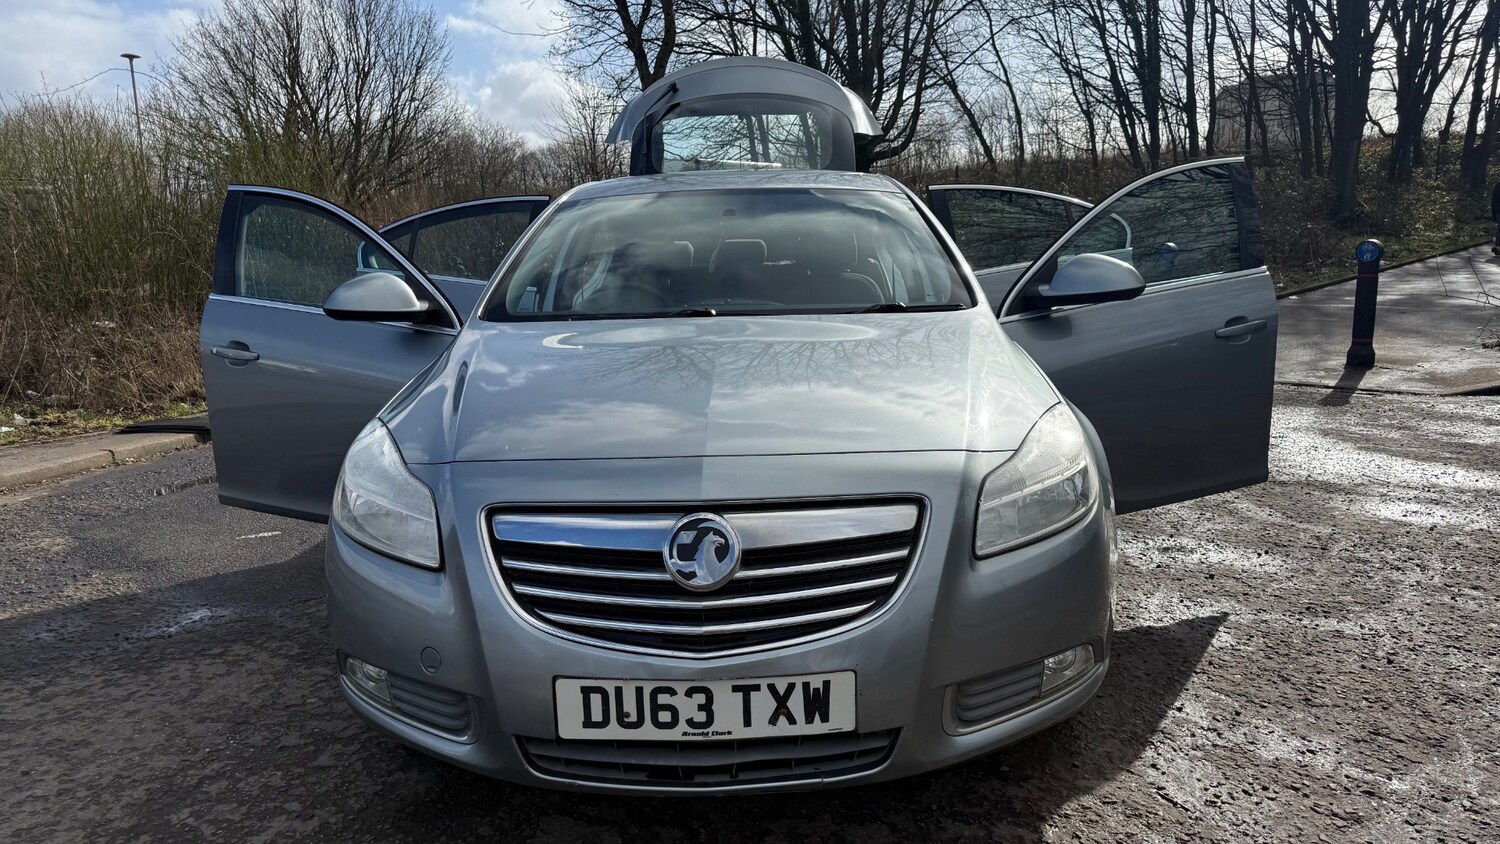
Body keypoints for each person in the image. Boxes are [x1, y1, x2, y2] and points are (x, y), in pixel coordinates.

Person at [1492, 180, 1500, 254]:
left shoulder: (1497, 185)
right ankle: (1498, 247)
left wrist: (1493, 213)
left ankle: (1498, 246)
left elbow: (1493, 200)